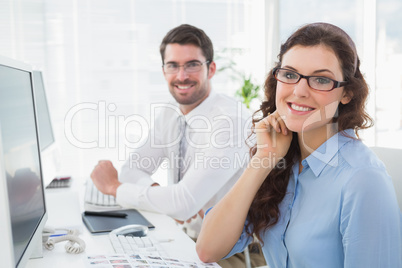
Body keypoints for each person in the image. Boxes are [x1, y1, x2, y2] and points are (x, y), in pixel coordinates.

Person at [196, 22, 402, 267]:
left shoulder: (363, 180)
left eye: (321, 80)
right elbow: (208, 250)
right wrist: (264, 160)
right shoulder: (283, 161)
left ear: (347, 93)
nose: (300, 91)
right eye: (290, 75)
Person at [90, 24, 252, 240]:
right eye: (173, 65)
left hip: (230, 251)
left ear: (211, 69)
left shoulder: (231, 121)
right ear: (164, 70)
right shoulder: (169, 113)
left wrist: (114, 187)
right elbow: (132, 169)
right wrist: (163, 196)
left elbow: (183, 203)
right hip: (182, 236)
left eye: (192, 65)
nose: (182, 76)